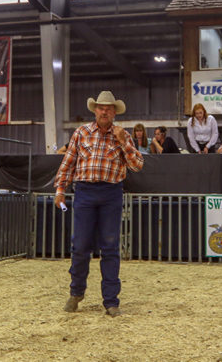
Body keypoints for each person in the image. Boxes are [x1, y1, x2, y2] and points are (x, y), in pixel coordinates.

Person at [54, 91, 144, 317]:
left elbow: (137, 165)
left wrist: (124, 142)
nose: (104, 111)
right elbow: (69, 161)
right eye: (101, 108)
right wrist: (60, 189)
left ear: (114, 112)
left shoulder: (123, 135)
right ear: (95, 110)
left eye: (109, 108)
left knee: (110, 247)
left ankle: (111, 301)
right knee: (80, 245)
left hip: (111, 192)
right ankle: (76, 292)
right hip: (84, 191)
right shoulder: (81, 132)